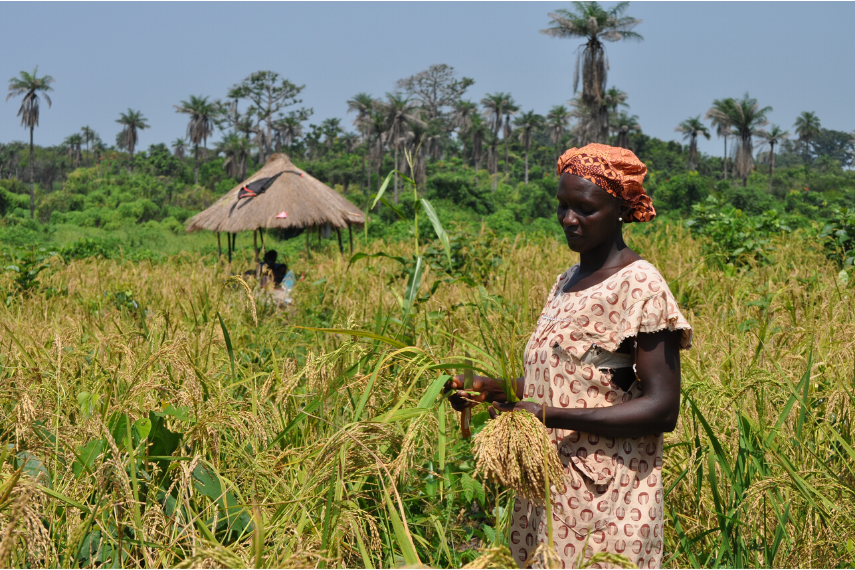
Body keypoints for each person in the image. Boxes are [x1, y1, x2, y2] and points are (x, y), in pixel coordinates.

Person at [448, 143, 692, 569]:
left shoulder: (640, 285)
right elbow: (582, 378)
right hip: (547, 488)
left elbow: (661, 409)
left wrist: (549, 417)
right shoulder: (566, 282)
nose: (568, 219)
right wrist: (494, 389)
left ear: (620, 209)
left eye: (585, 208)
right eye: (562, 206)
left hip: (609, 496)